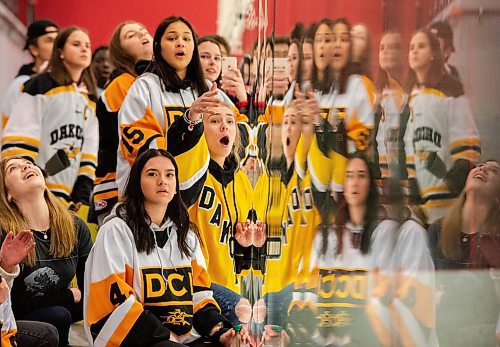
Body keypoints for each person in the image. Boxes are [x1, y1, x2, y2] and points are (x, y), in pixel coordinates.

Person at [85, 149, 252, 346]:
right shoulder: (115, 231)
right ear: (137, 183)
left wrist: (220, 332)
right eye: (152, 174)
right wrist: (164, 336)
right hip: (132, 338)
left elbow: (199, 296)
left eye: (169, 175)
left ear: (175, 187)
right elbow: (112, 304)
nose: (162, 180)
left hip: (179, 339)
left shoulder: (187, 236)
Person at [116, 16, 236, 195]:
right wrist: (188, 130)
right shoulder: (144, 86)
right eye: (172, 38)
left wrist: (241, 99)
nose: (180, 43)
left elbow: (238, 129)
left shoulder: (207, 88)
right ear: (158, 46)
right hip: (151, 198)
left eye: (187, 39)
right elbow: (138, 146)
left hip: (202, 201)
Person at [167, 101, 258, 324]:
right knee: (244, 314)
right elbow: (179, 142)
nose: (224, 126)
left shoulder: (242, 182)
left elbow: (241, 260)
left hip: (227, 283)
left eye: (229, 121)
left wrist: (245, 244)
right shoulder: (191, 171)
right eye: (215, 121)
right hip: (191, 283)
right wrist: (193, 117)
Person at [0, 156, 93, 347]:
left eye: (29, 163)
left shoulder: (75, 226)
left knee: (63, 314)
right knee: (57, 315)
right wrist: (6, 266)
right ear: (8, 194)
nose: (26, 166)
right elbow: (9, 305)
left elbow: (91, 292)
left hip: (60, 316)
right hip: (12, 322)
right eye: (13, 169)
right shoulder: (4, 232)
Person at [1, 26, 98, 209]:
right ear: (60, 51)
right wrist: (24, 185)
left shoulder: (91, 98)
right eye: (76, 44)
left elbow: (89, 153)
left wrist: (82, 196)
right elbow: (19, 138)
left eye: (87, 45)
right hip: (36, 194)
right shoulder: (39, 85)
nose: (85, 49)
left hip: (69, 201)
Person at [407, 29, 480, 223]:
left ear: (434, 53)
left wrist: (460, 168)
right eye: (411, 47)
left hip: (448, 199)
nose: (414, 51)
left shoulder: (451, 88)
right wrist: (412, 180)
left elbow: (466, 133)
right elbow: (410, 143)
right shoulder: (411, 96)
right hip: (423, 201)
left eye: (421, 46)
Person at [428, 160, 500, 346]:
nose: (482, 169)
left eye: (494, 171)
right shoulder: (437, 231)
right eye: (480, 165)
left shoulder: (496, 240)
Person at [89, 21, 153, 225]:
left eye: (144, 31)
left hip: (147, 183)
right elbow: (135, 142)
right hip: (117, 190)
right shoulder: (121, 85)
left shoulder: (155, 81)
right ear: (119, 51)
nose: (142, 35)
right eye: (131, 35)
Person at [1, 19, 58, 137]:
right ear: (34, 49)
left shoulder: (70, 84)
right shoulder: (21, 84)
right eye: (49, 40)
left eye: (58, 40)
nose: (56, 46)